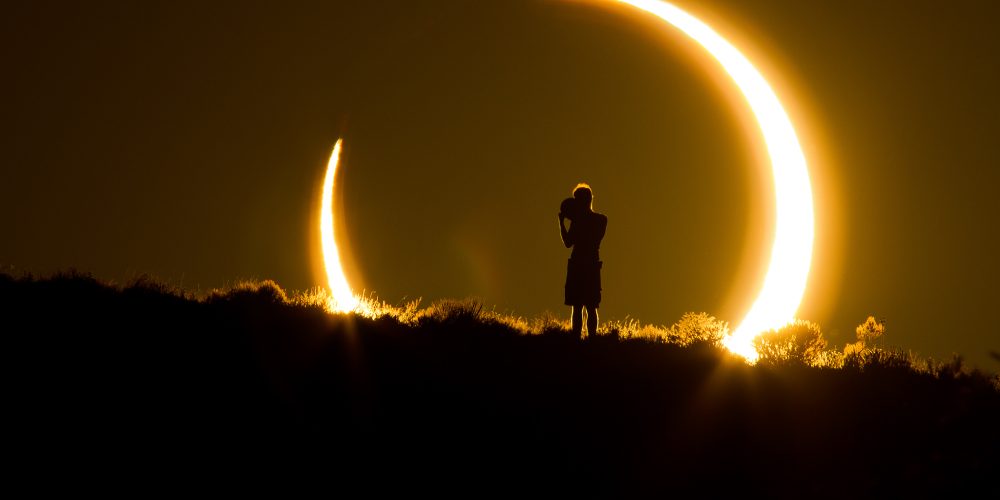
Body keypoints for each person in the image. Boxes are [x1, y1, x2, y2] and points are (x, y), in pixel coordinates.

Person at [559, 183, 608, 339]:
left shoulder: (579, 222)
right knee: (591, 306)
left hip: (578, 264)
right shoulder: (601, 220)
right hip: (592, 265)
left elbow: (568, 243)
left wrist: (561, 223)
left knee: (578, 306)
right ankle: (591, 339)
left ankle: (576, 339)